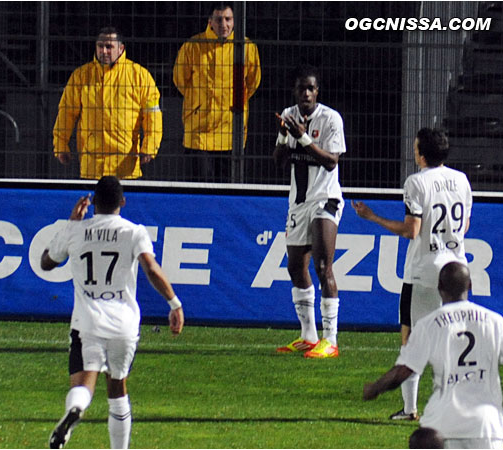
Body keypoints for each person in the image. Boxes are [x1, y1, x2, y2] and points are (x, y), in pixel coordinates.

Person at [41, 176, 185, 449]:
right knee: (117, 388)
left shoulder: (77, 230)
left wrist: (72, 222)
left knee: (83, 384)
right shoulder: (134, 232)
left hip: (87, 323)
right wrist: (174, 303)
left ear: (92, 202)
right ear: (122, 202)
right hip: (124, 323)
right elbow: (151, 269)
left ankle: (75, 411)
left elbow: (46, 262)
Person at [352, 128, 473, 420]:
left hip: (424, 271)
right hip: (457, 271)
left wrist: (372, 217)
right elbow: (465, 225)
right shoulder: (462, 180)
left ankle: (410, 409)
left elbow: (412, 230)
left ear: (421, 154)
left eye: (416, 147)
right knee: (453, 340)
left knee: (411, 340)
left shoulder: (416, 183)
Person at [363, 262, 503, 449]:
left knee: (420, 440)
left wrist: (375, 388)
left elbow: (403, 371)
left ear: (439, 287)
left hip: (444, 425)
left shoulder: (429, 324)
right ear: (470, 285)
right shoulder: (494, 321)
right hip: (487, 427)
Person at [272, 65, 345, 358]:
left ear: (318, 92)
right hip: (298, 201)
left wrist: (302, 138)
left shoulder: (330, 119)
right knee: (294, 267)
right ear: (295, 91)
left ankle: (331, 340)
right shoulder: (288, 115)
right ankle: (308, 335)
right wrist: (282, 137)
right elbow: (278, 161)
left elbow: (331, 162)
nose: (306, 93)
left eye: (311, 89)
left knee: (323, 266)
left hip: (325, 198)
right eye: (301, 88)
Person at [53, 27, 162, 180]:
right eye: (100, 46)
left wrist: (150, 147)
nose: (104, 51)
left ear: (121, 48)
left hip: (125, 166)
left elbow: (153, 117)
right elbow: (66, 114)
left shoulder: (140, 76)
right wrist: (60, 146)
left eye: (109, 47)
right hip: (92, 166)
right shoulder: (81, 76)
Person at [173, 2, 261, 183]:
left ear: (235, 21)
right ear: (210, 21)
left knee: (227, 191)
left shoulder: (247, 47)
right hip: (199, 132)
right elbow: (180, 80)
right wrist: (199, 103)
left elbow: (252, 82)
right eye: (219, 19)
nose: (224, 24)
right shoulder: (193, 46)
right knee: (199, 190)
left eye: (228, 19)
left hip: (231, 130)